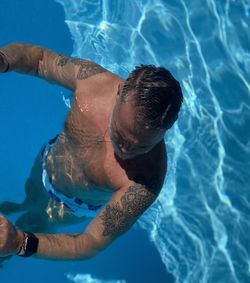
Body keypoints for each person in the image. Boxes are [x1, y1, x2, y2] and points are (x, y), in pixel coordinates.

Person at [0, 42, 183, 260]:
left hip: (70, 205)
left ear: (163, 133)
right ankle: (25, 205)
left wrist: (20, 242)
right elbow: (40, 60)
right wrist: (3, 60)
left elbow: (90, 243)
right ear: (118, 93)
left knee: (37, 221)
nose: (126, 149)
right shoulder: (92, 83)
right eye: (121, 134)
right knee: (31, 197)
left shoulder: (144, 181)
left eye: (142, 146)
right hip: (47, 161)